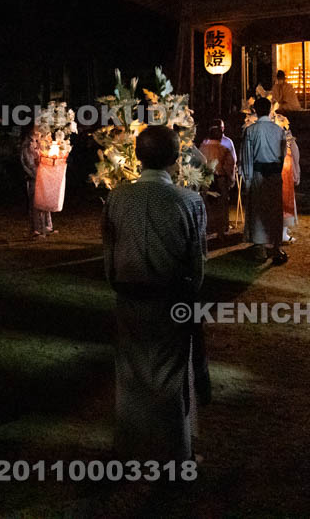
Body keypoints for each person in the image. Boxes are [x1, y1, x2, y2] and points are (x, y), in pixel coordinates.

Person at [103, 125, 207, 461]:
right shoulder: (189, 201)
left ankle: (129, 448)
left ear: (138, 156)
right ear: (176, 158)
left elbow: (109, 256)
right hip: (171, 300)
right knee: (170, 378)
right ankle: (174, 455)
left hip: (129, 298)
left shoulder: (117, 198)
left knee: (130, 375)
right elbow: (196, 264)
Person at [240, 97, 289, 264]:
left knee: (258, 210)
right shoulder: (279, 130)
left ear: (255, 111)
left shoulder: (251, 130)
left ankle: (260, 247)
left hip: (258, 173)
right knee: (274, 209)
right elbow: (283, 154)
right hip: (274, 174)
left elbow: (247, 157)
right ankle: (275, 246)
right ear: (269, 110)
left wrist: (247, 179)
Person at [199, 119, 237, 236]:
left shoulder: (203, 146)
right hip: (220, 179)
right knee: (221, 204)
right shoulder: (223, 148)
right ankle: (221, 229)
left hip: (206, 179)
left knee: (208, 204)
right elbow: (230, 165)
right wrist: (231, 180)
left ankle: (209, 226)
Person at [20, 125, 54, 237]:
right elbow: (28, 163)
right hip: (34, 177)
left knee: (44, 201)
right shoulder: (28, 145)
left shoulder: (40, 142)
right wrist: (35, 174)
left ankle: (46, 226)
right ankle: (36, 228)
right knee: (35, 203)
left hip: (42, 176)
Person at [282, 132, 301, 243]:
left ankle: (282, 231)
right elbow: (295, 154)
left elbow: (295, 154)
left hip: (285, 172)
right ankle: (282, 233)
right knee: (283, 203)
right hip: (283, 174)